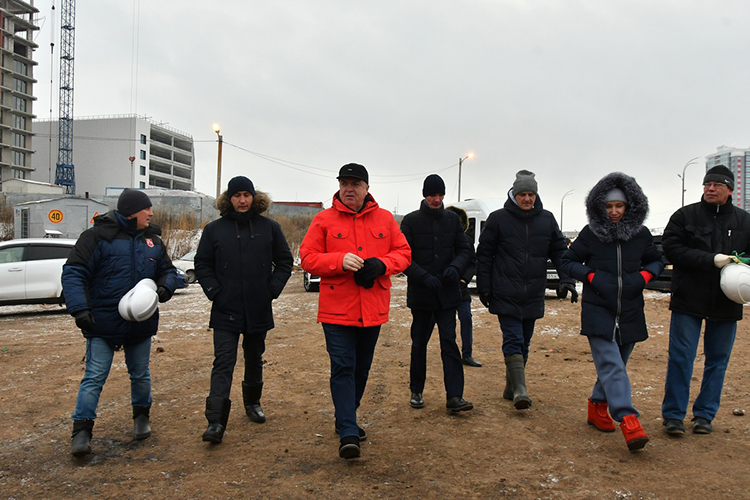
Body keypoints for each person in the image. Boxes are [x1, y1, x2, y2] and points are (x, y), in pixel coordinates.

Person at [300, 163, 410, 460]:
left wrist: (381, 265)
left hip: (372, 308)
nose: (349, 188)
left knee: (361, 368)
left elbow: (404, 253)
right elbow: (307, 258)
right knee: (343, 366)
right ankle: (348, 429)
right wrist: (337, 261)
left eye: (355, 184)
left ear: (366, 188)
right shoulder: (323, 220)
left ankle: (345, 414)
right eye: (344, 183)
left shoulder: (386, 219)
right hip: (336, 311)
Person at [62, 188, 179, 457]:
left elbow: (168, 271)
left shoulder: (153, 241)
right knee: (94, 377)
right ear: (131, 212)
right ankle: (81, 431)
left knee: (140, 374)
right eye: (146, 209)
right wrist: (80, 309)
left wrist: (164, 288)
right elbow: (74, 272)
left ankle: (141, 418)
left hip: (140, 323)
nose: (151, 213)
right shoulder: (96, 237)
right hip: (101, 323)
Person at [560, 172, 663, 451]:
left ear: (630, 207)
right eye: (609, 207)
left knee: (618, 363)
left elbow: (657, 261)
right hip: (598, 308)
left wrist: (643, 277)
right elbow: (567, 262)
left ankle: (597, 405)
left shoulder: (640, 235)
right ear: (600, 208)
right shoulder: (590, 234)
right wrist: (591, 277)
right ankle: (628, 419)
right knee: (611, 364)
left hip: (630, 309)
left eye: (620, 206)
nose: (614, 212)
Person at [195, 176, 293, 444]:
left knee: (254, 357)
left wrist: (270, 290)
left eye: (246, 195)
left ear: (254, 198)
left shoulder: (269, 228)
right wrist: (215, 291)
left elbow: (285, 261)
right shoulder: (214, 229)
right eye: (236, 195)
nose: (242, 200)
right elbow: (202, 263)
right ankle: (215, 422)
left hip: (257, 306)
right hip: (225, 307)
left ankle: (253, 404)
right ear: (229, 199)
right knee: (223, 361)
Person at [660, 165, 750, 436]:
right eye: (707, 184)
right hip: (689, 298)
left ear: (730, 190)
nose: (710, 188)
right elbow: (671, 249)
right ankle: (673, 416)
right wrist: (709, 259)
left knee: (717, 360)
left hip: (727, 301)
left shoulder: (745, 222)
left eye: (717, 185)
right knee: (681, 357)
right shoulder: (685, 216)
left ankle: (704, 415)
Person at [476, 170, 577, 410]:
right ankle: (521, 390)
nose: (527, 199)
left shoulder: (547, 219)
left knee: (525, 343)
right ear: (514, 194)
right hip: (505, 290)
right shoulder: (498, 219)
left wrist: (568, 279)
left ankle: (511, 387)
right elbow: (485, 254)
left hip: (533, 292)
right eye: (522, 194)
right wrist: (485, 286)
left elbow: (561, 252)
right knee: (513, 339)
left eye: (531, 194)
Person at [401, 174, 474, 413]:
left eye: (440, 195)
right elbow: (403, 257)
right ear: (425, 195)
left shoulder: (452, 220)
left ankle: (454, 396)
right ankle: (416, 390)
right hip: (422, 295)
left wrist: (455, 268)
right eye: (433, 195)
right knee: (419, 342)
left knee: (449, 343)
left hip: (447, 294)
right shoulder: (410, 222)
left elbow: (465, 250)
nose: (437, 199)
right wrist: (422, 276)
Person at [445, 205, 481, 367]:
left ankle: (467, 354)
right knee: (446, 323)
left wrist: (464, 280)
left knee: (466, 319)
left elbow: (472, 263)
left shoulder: (466, 240)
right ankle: (450, 354)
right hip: (443, 288)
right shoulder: (440, 239)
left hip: (461, 288)